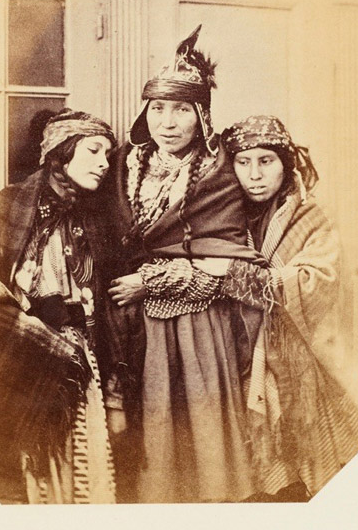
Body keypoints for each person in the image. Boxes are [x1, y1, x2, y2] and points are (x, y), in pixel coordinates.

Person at [106, 26, 265, 503]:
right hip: (132, 323)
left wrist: (152, 280)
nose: (167, 122)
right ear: (145, 112)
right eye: (158, 108)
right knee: (149, 427)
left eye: (181, 110)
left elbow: (232, 259)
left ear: (201, 117)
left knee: (200, 431)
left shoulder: (222, 174)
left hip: (198, 322)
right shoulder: (121, 166)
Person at [0, 109, 120, 504]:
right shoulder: (7, 207)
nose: (104, 163)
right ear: (62, 152)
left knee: (82, 467)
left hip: (79, 360)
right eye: (93, 151)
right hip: (24, 355)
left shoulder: (96, 218)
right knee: (23, 472)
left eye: (108, 153)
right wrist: (28, 332)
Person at [219, 115, 358, 500]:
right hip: (237, 360)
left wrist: (236, 276)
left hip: (303, 367)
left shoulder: (310, 217)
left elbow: (315, 281)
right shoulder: (223, 218)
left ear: (285, 163)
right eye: (243, 162)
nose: (254, 174)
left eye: (266, 161)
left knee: (310, 481)